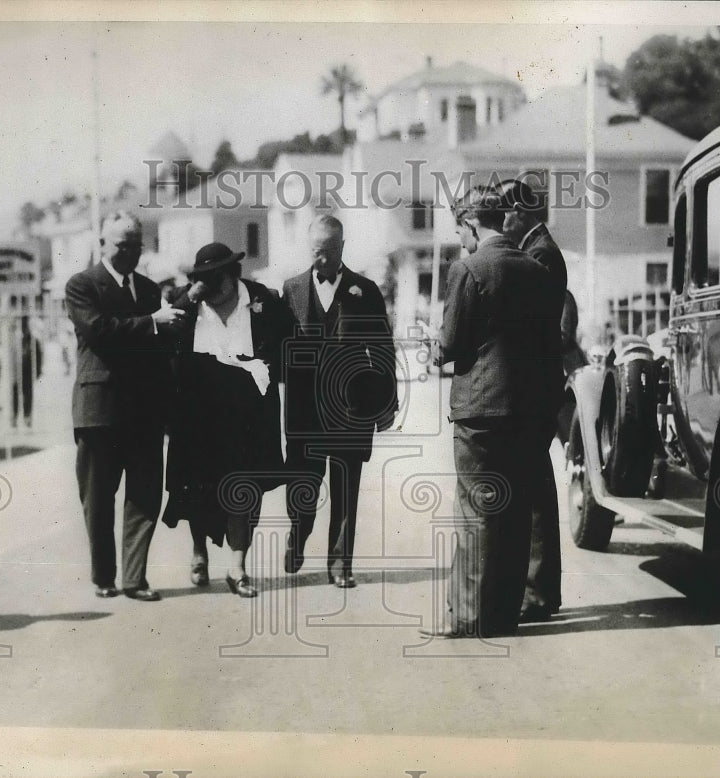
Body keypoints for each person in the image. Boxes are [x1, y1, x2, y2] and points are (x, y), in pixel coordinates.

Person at [422, 186, 564, 638]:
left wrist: (433, 347)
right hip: (528, 409)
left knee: (476, 511)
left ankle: (469, 617)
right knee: (516, 511)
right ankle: (503, 616)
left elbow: (452, 344)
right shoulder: (537, 269)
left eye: (460, 231)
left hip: (481, 409)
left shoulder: (468, 268)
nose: (461, 240)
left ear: (470, 224)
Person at [160, 242, 293, 598]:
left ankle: (238, 566)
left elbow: (289, 341)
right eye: (201, 282)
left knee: (245, 485)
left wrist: (264, 366)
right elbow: (165, 336)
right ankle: (199, 551)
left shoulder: (263, 299)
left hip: (249, 406)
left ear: (232, 277)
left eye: (214, 282)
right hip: (198, 405)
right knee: (197, 482)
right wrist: (193, 295)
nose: (209, 292)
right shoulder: (187, 299)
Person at [64, 210, 185, 601]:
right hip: (100, 410)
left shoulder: (151, 290)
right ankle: (104, 577)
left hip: (144, 411)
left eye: (136, 245)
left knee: (145, 495)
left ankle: (135, 578)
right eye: (122, 245)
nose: (130, 252)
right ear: (102, 244)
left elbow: (158, 353)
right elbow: (99, 331)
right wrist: (152, 321)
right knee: (98, 499)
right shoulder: (82, 285)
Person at [281, 214, 398, 588]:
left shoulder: (365, 290)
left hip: (352, 407)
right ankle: (298, 536)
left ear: (342, 248)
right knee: (303, 483)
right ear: (308, 249)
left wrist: (386, 404)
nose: (323, 261)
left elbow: (383, 350)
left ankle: (340, 563)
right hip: (305, 408)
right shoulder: (292, 289)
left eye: (330, 253)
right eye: (317, 253)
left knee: (347, 486)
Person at [498, 177, 570, 623]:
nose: (500, 220)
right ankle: (538, 589)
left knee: (536, 495)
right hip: (536, 387)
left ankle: (539, 592)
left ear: (520, 214)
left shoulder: (539, 254)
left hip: (535, 388)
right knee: (535, 489)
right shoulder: (538, 248)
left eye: (504, 212)